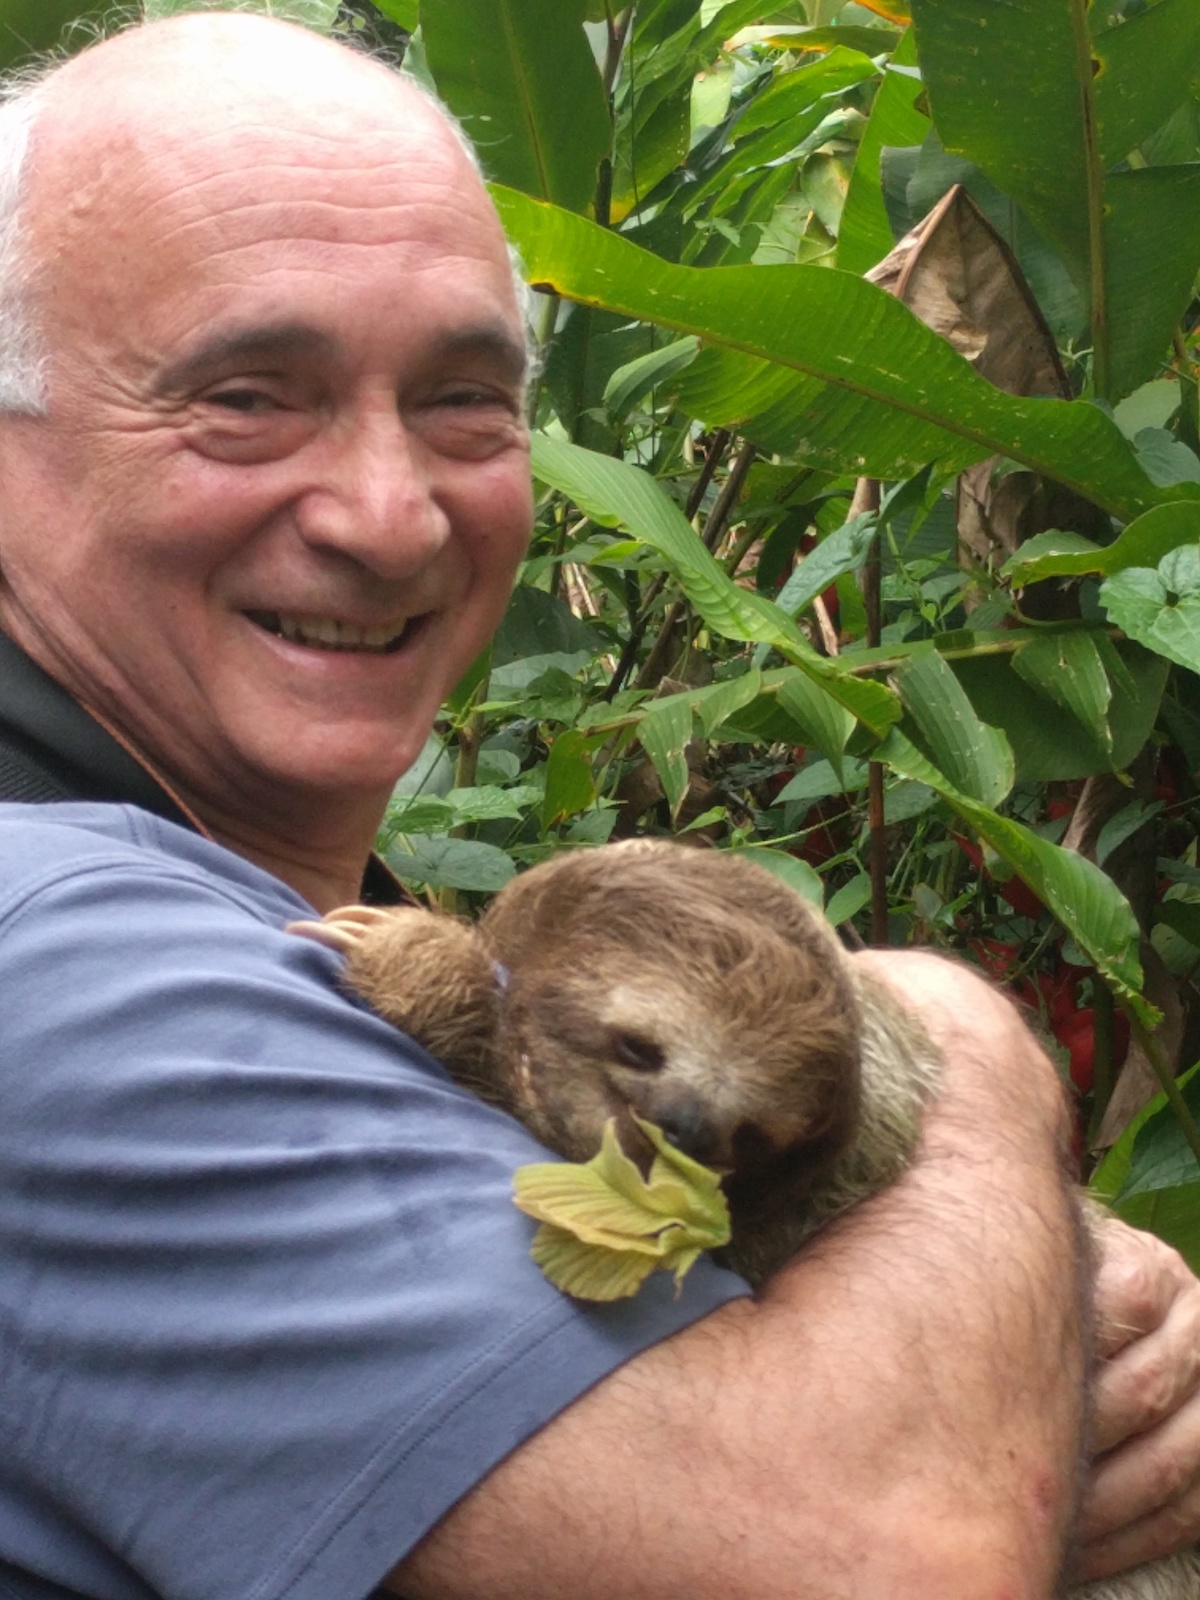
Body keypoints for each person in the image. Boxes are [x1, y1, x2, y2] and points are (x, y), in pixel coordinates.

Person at [0, 11, 1195, 1599]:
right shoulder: (59, 962)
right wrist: (966, 1056)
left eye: (464, 401)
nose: (387, 513)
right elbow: (882, 1562)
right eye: (245, 394)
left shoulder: (265, 897)